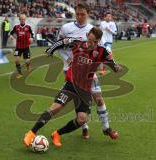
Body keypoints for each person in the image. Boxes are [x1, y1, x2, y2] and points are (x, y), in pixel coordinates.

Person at [23, 27, 122, 148]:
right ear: (86, 36)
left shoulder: (102, 51)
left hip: (85, 89)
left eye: (95, 42)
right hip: (70, 84)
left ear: (99, 40)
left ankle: (57, 134)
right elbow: (62, 41)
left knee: (82, 119)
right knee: (56, 107)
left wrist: (116, 68)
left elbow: (113, 66)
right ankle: (31, 133)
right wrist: (50, 50)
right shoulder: (77, 43)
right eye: (90, 40)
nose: (92, 44)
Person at [57, 3, 118, 140]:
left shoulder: (93, 30)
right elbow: (59, 44)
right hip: (71, 70)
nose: (79, 16)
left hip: (89, 71)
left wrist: (110, 60)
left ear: (88, 14)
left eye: (82, 14)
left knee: (99, 98)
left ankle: (106, 128)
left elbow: (102, 49)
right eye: (77, 14)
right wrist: (67, 58)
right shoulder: (66, 28)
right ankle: (84, 127)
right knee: (78, 101)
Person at [9, 14, 34, 78]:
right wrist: (11, 36)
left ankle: (28, 65)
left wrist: (32, 38)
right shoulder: (16, 27)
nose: (23, 20)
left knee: (27, 61)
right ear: (19, 19)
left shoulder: (28, 27)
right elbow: (11, 33)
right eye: (21, 19)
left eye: (24, 19)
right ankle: (20, 73)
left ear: (25, 19)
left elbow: (32, 34)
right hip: (18, 46)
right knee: (17, 60)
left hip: (26, 46)